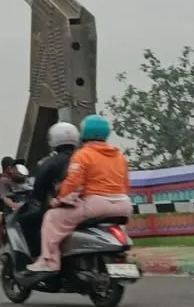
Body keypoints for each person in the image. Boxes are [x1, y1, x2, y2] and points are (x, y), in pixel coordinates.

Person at [26, 114, 132, 274]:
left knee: (52, 218)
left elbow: (73, 183)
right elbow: (125, 184)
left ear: (85, 133)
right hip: (123, 204)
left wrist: (60, 200)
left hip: (96, 204)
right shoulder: (119, 156)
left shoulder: (83, 155)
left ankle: (49, 261)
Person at [15, 121, 80, 254]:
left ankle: (39, 255)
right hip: (89, 204)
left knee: (26, 220)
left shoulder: (49, 163)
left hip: (63, 206)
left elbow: (39, 190)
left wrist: (37, 198)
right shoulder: (84, 158)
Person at [0, 156, 24, 246]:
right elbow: (3, 197)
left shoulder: (19, 179)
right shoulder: (0, 181)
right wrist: (13, 205)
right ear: (9, 168)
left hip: (20, 207)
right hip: (4, 210)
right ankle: (2, 245)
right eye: (14, 167)